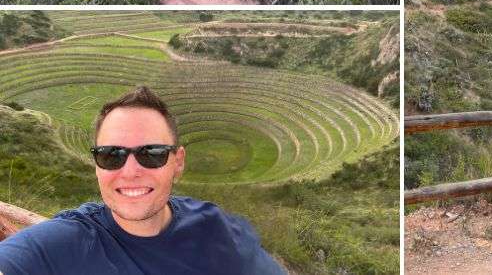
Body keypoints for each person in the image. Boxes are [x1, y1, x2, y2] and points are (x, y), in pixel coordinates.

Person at [0, 86, 286, 275]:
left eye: (152, 154)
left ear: (178, 161)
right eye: (112, 155)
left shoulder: (218, 229)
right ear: (96, 165)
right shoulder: (64, 242)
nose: (131, 170)